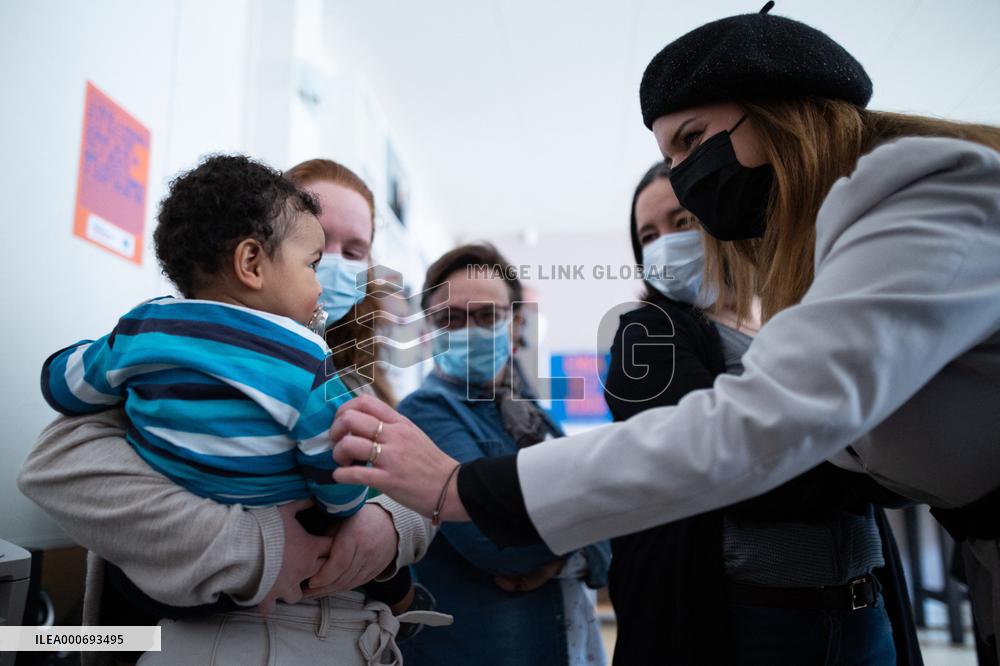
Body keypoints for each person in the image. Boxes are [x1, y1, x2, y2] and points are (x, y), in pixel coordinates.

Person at [327, 5, 1000, 658]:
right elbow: (736, 446)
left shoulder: (909, 195)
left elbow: (767, 437)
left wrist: (498, 502)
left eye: (690, 142)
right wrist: (472, 495)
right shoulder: (644, 332)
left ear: (776, 110)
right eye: (452, 317)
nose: (687, 180)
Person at [20, 157, 441, 666]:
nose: (332, 264)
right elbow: (52, 466)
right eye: (317, 248)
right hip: (205, 635)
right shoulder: (167, 364)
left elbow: (424, 494)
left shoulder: (364, 387)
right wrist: (258, 546)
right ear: (252, 254)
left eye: (354, 251)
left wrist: (387, 526)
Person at [605, 162, 918, 664]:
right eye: (648, 234)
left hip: (864, 610)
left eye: (682, 221)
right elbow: (714, 463)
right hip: (756, 621)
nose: (664, 242)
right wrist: (861, 467)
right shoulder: (648, 333)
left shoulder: (797, 316)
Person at [396, 244, 610, 666]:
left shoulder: (531, 413)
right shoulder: (424, 416)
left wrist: (582, 536)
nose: (468, 330)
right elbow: (497, 542)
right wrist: (588, 533)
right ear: (429, 331)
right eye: (451, 319)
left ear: (514, 324)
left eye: (486, 315)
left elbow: (609, 522)